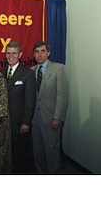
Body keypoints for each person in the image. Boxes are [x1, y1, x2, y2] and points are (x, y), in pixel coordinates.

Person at [31, 41, 69, 174]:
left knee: (51, 151)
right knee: (38, 152)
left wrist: (58, 118)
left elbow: (62, 96)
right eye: (36, 52)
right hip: (35, 120)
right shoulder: (31, 71)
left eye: (42, 51)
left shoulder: (59, 69)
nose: (39, 54)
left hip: (51, 119)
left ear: (48, 53)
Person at [1, 41, 36, 174]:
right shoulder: (1, 72)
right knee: (6, 156)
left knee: (20, 157)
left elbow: (30, 101)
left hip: (20, 124)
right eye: (8, 53)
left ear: (20, 55)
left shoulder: (28, 74)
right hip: (4, 124)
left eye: (14, 53)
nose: (11, 56)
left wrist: (26, 122)